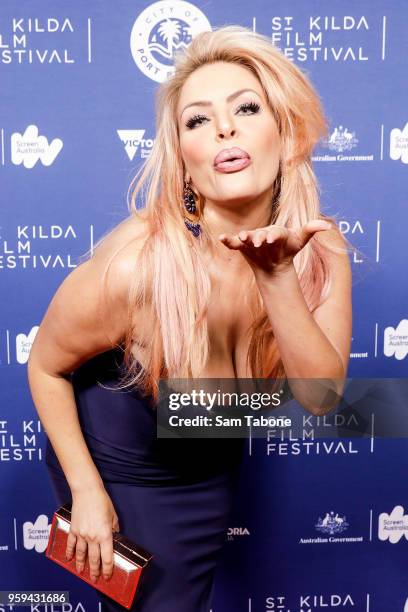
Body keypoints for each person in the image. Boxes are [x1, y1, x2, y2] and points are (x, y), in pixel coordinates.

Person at [27, 25, 352, 612]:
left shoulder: (321, 252)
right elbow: (45, 367)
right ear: (184, 156)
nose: (224, 128)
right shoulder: (135, 265)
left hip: (205, 461)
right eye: (198, 120)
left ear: (286, 131)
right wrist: (87, 495)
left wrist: (276, 278)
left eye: (246, 108)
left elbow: (322, 397)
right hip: (124, 471)